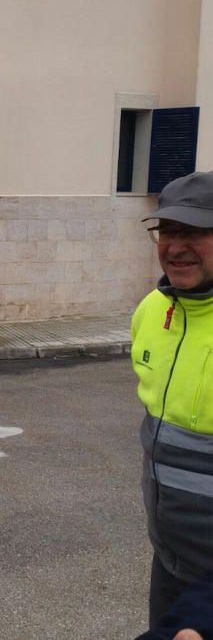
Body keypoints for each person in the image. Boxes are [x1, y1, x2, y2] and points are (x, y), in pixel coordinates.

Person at [131, 170, 213, 629]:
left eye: (195, 231)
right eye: (168, 230)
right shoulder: (150, 311)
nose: (176, 246)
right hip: (169, 559)